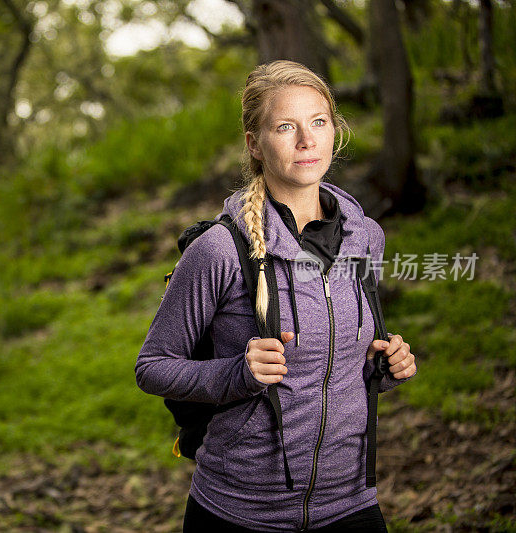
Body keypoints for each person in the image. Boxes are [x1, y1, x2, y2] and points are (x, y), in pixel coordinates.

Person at [134, 60, 417, 532]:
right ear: (255, 144)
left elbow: (341, 357)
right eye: (286, 127)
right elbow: (153, 365)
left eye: (319, 122)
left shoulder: (366, 236)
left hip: (351, 505)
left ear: (334, 132)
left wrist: (384, 365)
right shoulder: (221, 250)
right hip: (239, 512)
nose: (306, 140)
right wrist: (238, 373)